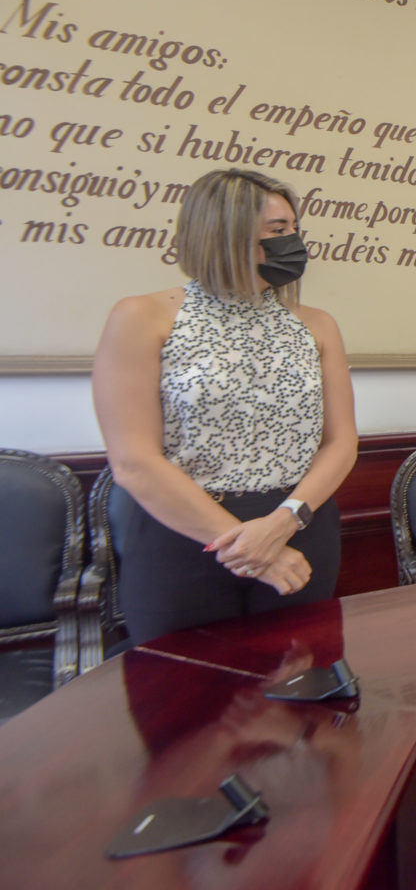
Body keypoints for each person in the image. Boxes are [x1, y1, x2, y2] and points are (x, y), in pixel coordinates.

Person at [92, 168, 357, 646]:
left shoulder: (316, 325)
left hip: (298, 523)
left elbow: (341, 442)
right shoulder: (142, 317)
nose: (293, 241)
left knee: (303, 677)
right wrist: (249, 546)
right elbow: (134, 461)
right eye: (277, 230)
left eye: (293, 228)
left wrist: (283, 523)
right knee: (186, 686)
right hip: (185, 533)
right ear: (225, 232)